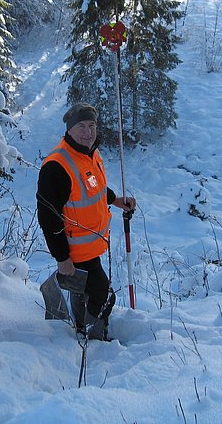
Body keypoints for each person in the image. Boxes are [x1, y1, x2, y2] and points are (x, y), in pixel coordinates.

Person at [37, 103, 135, 340]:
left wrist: (116, 200)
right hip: (76, 251)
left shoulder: (90, 154)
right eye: (81, 126)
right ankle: (93, 339)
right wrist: (63, 259)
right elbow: (48, 219)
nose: (88, 132)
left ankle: (80, 329)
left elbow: (93, 188)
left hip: (90, 246)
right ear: (69, 130)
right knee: (105, 297)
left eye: (91, 125)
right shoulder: (57, 166)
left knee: (84, 291)